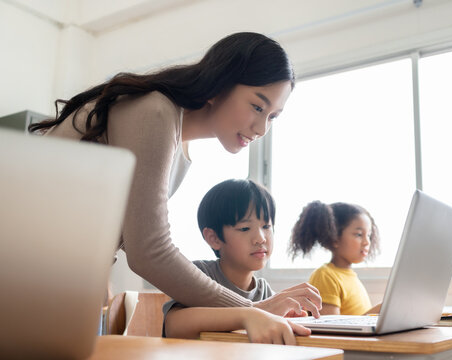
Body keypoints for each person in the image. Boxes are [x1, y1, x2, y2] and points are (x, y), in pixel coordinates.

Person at [28, 32, 321, 334]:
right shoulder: (154, 111)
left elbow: (132, 238)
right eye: (258, 107)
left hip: (56, 280)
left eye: (273, 116)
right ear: (220, 84)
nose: (261, 128)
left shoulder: (180, 147)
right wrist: (250, 310)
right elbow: (149, 251)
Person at [164, 179, 314, 343]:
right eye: (244, 228)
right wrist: (248, 314)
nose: (260, 239)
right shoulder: (200, 274)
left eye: (266, 226)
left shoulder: (263, 291)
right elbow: (174, 325)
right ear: (214, 238)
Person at [289, 201, 381, 315]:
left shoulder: (350, 276)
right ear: (335, 239)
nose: (367, 242)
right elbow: (332, 328)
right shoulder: (325, 276)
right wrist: (381, 309)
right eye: (359, 234)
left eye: (368, 235)